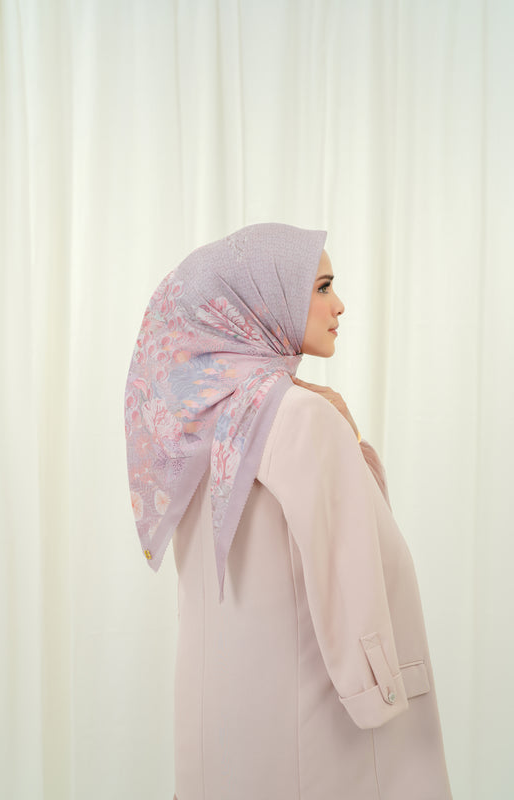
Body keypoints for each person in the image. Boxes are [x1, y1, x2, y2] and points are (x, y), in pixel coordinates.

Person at [124, 223, 452, 800]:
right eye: (321, 287)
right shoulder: (299, 415)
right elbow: (350, 563)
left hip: (221, 733)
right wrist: (379, 692)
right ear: (264, 300)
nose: (339, 305)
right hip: (316, 737)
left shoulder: (195, 423)